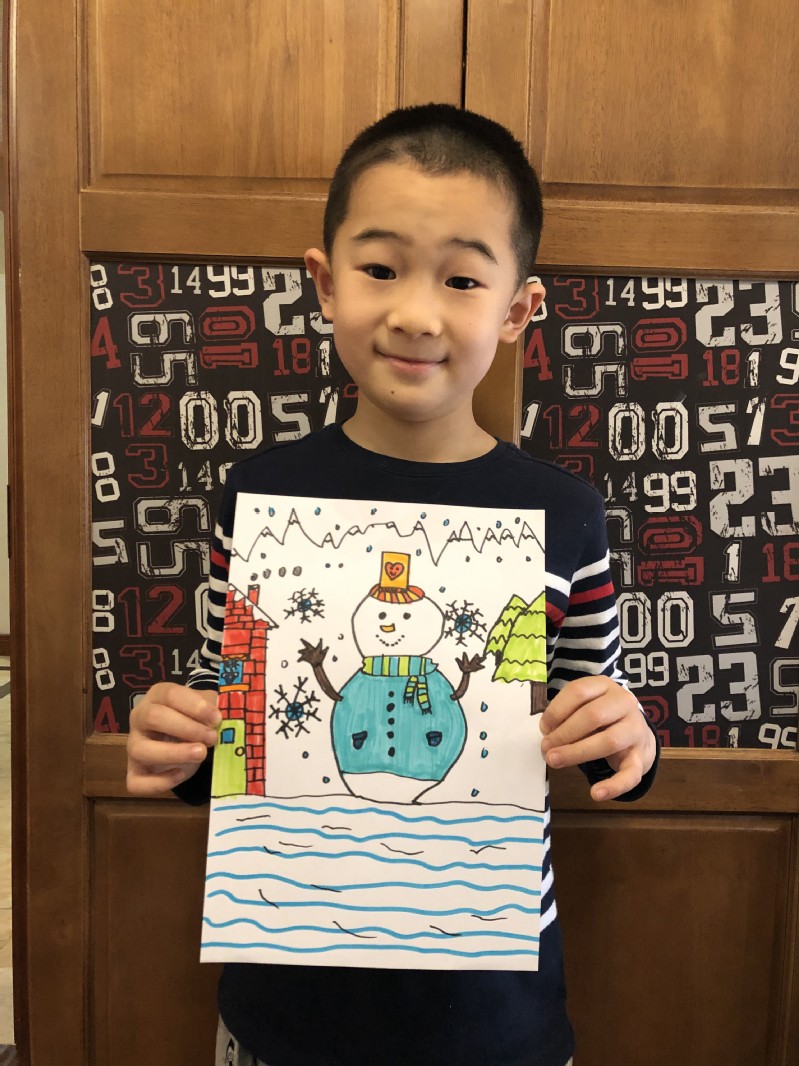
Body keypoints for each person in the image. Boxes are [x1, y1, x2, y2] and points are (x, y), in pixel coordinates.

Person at [127, 103, 659, 1066]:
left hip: (494, 1017)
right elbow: (231, 730)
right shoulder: (259, 500)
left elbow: (593, 737)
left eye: (461, 278)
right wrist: (180, 742)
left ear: (515, 311)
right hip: (283, 1009)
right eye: (380, 269)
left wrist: (628, 738)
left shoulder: (563, 517)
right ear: (325, 284)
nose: (415, 312)